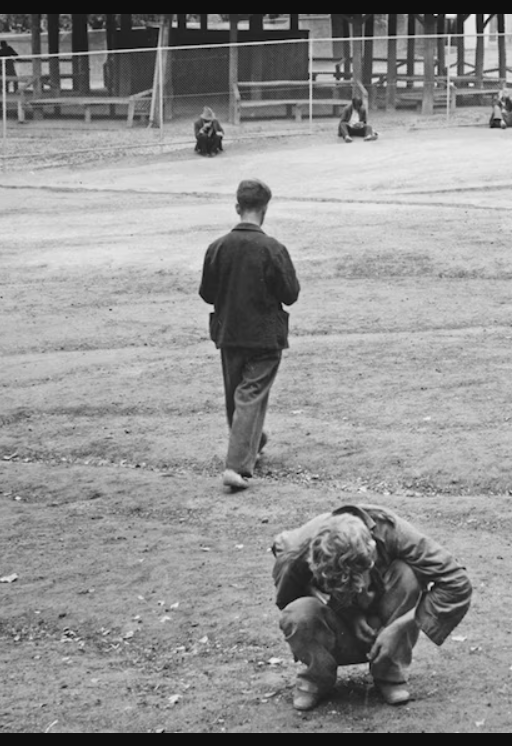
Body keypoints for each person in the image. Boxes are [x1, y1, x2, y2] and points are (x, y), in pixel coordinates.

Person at [272, 504, 472, 711]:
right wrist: (347, 613)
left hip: (383, 612)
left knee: (406, 575)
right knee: (298, 611)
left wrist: (401, 625)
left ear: (372, 554)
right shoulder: (295, 551)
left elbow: (456, 582)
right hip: (337, 620)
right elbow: (287, 598)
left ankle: (389, 671)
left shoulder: (395, 533)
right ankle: (317, 675)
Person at [199, 179, 300, 491]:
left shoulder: (217, 247)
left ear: (237, 208)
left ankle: (252, 442)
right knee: (249, 395)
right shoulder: (273, 249)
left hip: (229, 332)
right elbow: (290, 294)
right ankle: (237, 466)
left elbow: (206, 293)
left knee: (237, 396)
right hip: (265, 336)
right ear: (265, 210)